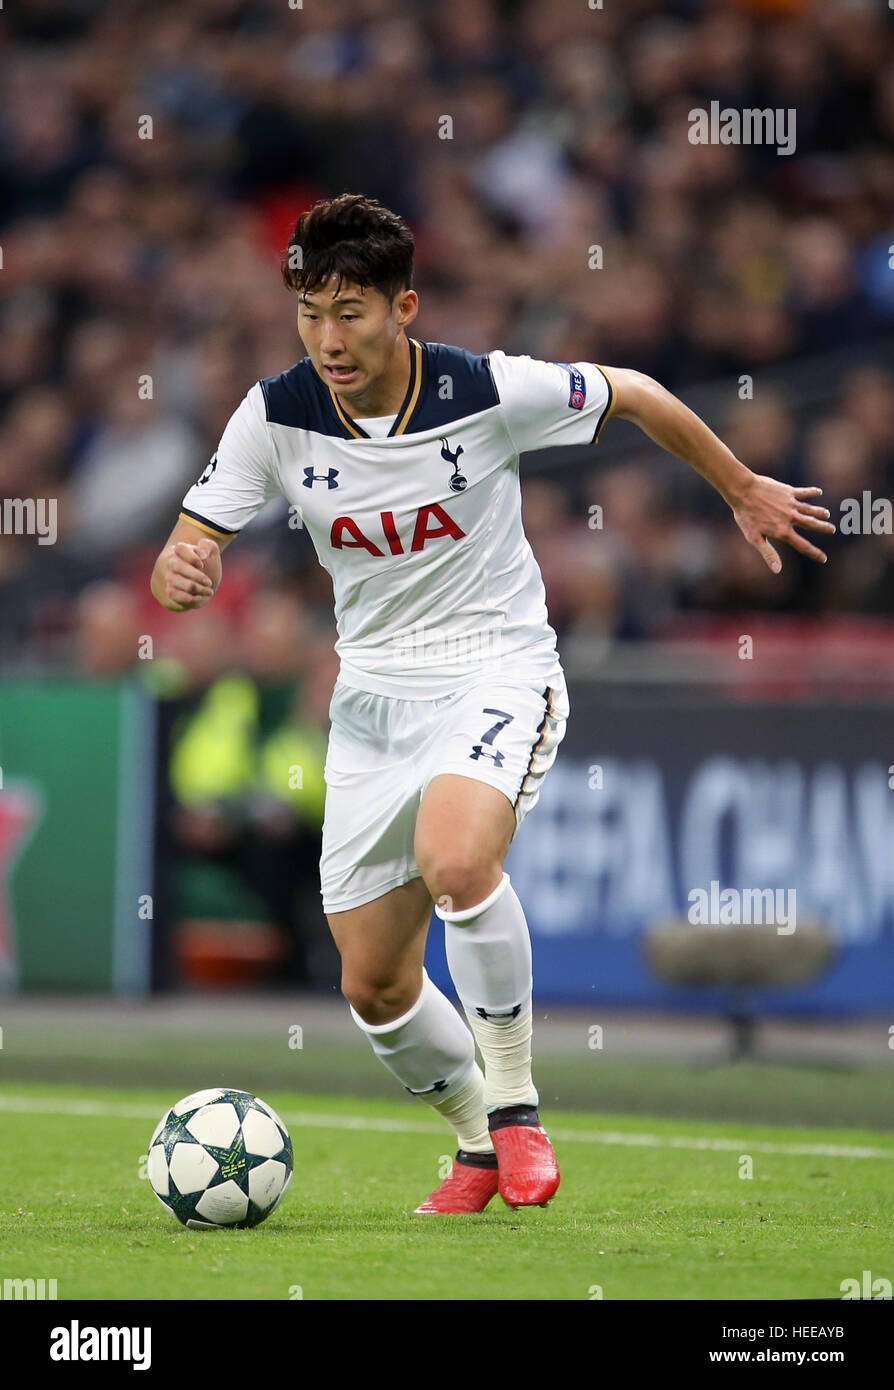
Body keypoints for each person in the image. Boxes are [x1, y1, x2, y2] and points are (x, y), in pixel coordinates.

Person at [150, 194, 833, 1214]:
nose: (328, 339)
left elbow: (637, 391)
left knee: (460, 859)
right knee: (373, 987)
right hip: (372, 695)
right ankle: (474, 1142)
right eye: (311, 314)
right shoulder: (275, 414)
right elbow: (180, 554)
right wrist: (184, 569)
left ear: (404, 306)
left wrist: (738, 486)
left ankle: (515, 1109)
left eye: (350, 312)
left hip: (493, 663)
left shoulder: (484, 388)